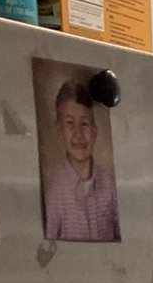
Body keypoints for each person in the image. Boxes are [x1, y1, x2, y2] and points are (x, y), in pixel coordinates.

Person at [42, 80, 120, 242]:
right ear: (59, 131)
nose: (78, 134)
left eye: (84, 124)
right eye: (70, 124)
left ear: (94, 131)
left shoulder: (110, 186)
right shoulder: (55, 195)